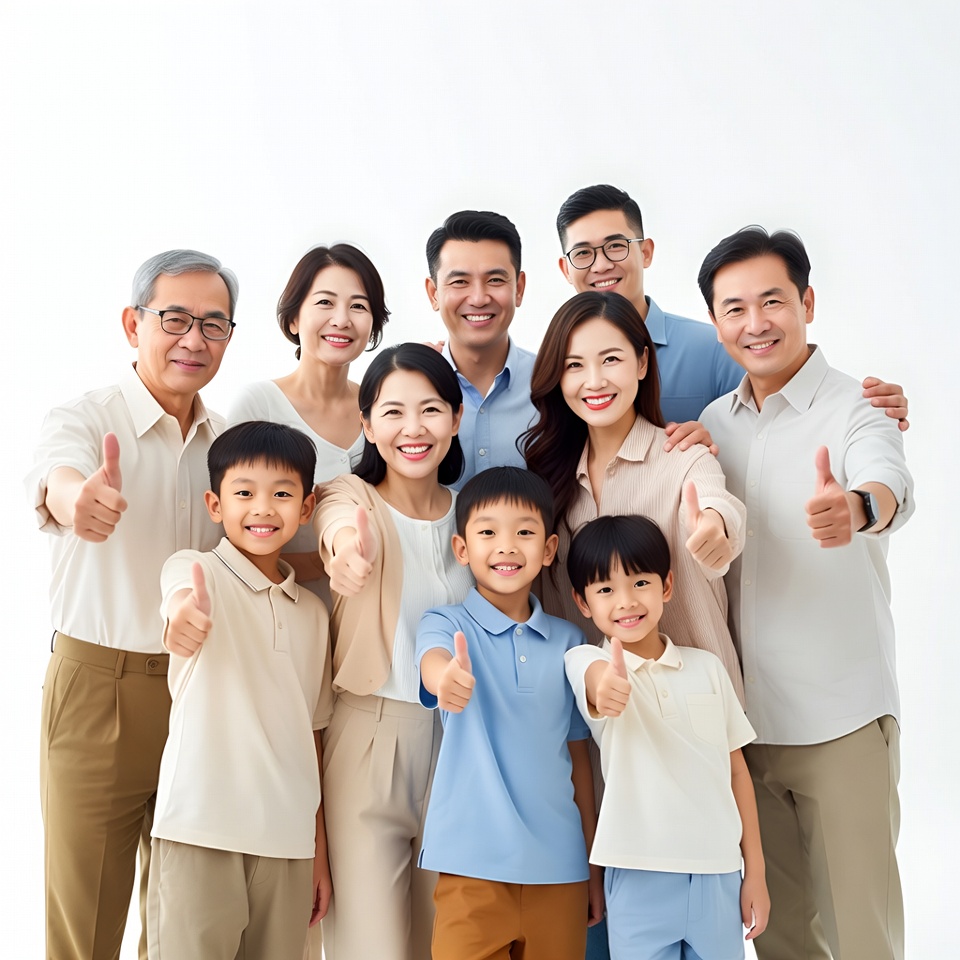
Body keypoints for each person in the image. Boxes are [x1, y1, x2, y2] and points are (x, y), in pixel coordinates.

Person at [698, 226, 914, 960]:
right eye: (734, 309)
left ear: (807, 302)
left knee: (863, 937)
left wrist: (854, 509)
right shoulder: (713, 426)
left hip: (842, 721)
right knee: (783, 939)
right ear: (717, 322)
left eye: (772, 301)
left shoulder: (858, 406)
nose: (755, 323)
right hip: (751, 731)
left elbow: (889, 481)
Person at [26, 249, 237, 960]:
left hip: (200, 695)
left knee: (181, 923)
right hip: (99, 689)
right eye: (174, 318)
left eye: (213, 324)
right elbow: (59, 478)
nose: (193, 340)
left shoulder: (227, 443)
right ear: (132, 323)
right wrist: (75, 500)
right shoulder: (87, 417)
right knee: (84, 925)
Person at [313, 342, 474, 960]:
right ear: (368, 424)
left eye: (431, 409)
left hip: (462, 745)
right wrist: (346, 557)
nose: (414, 429)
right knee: (369, 947)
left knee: (447, 942)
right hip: (369, 741)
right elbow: (335, 530)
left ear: (456, 419)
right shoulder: (351, 499)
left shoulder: (475, 516)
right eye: (393, 412)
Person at [150, 421, 333, 960]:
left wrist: (317, 851)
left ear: (306, 507)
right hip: (200, 831)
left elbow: (313, 736)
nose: (263, 508)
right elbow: (178, 600)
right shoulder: (194, 570)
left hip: (288, 845)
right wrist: (183, 618)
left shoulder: (315, 615)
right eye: (244, 493)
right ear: (215, 503)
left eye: (282, 494)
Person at [417, 467, 604, 959]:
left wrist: (591, 864)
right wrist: (445, 681)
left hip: (561, 870)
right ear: (462, 550)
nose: (506, 546)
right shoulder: (445, 622)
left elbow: (578, 758)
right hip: (471, 868)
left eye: (524, 531)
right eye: (487, 532)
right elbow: (433, 663)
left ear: (548, 550)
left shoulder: (569, 640)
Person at [555, 183, 911, 440]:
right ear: (565, 268)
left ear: (646, 252)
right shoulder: (556, 360)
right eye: (583, 253)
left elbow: (789, 410)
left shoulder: (714, 347)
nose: (601, 264)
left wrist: (863, 407)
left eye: (616, 246)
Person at [564, 515, 768, 960]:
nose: (625, 601)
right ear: (583, 603)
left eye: (640, 582)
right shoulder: (584, 660)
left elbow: (737, 773)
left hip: (718, 873)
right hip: (638, 876)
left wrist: (756, 872)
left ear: (667, 586)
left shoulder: (708, 667)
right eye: (605, 590)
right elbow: (595, 684)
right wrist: (608, 686)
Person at [523, 290, 745, 696]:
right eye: (574, 365)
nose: (594, 381)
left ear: (642, 362)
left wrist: (714, 530)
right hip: (596, 732)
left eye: (611, 359)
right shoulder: (547, 478)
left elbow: (718, 509)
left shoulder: (683, 457)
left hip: (699, 719)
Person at [228, 243, 390, 600]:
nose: (342, 319)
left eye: (358, 306)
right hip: (287, 624)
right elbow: (233, 542)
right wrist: (327, 561)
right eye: (325, 302)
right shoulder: (259, 406)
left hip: (371, 627)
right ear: (293, 319)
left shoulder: (384, 407)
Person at [425, 209, 535, 486]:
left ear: (519, 288)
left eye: (495, 280)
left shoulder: (554, 383)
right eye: (459, 281)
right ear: (434, 293)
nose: (478, 298)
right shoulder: (409, 387)